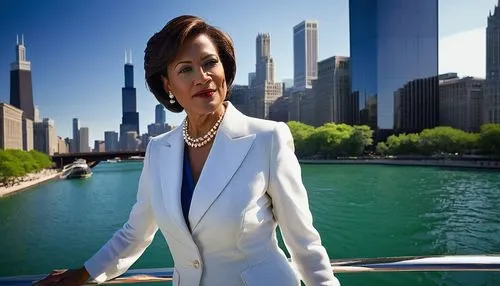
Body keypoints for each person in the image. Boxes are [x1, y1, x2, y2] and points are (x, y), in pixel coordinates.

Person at [35, 15, 341, 286]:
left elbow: (304, 245)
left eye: (210, 63)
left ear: (225, 69)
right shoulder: (158, 150)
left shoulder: (268, 138)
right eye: (185, 69)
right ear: (167, 85)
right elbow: (136, 232)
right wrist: (85, 273)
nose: (201, 76)